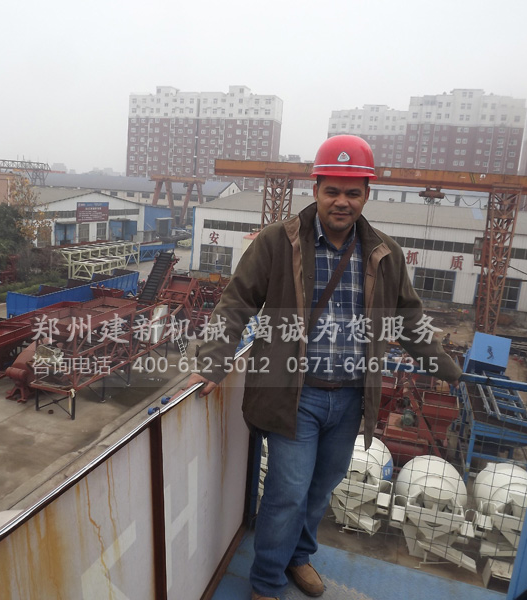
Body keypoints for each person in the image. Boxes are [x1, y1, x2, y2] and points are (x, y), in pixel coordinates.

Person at [185, 135, 462, 600]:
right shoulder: (278, 243)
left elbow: (409, 318)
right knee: (288, 491)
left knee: (322, 488)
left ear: (366, 195)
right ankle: (266, 582)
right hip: (296, 395)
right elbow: (236, 303)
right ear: (315, 189)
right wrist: (213, 363)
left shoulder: (385, 253)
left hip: (352, 396)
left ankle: (299, 557)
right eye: (332, 190)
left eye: (353, 192)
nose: (342, 201)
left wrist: (448, 369)